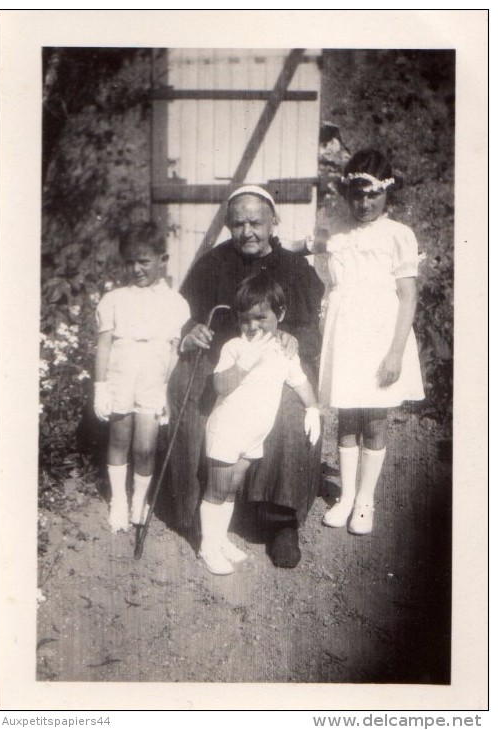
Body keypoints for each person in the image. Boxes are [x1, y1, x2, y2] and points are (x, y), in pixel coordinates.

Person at [168, 185, 325, 568]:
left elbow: (312, 333)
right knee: (190, 391)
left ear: (274, 222)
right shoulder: (212, 263)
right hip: (223, 359)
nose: (247, 231)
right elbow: (186, 315)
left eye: (256, 222)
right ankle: (196, 510)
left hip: (274, 362)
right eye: (237, 223)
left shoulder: (295, 268)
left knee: (290, 414)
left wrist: (293, 337)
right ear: (227, 225)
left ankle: (279, 520)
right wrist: (192, 332)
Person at [315, 149, 425, 535]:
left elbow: (407, 296)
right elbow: (325, 273)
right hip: (347, 334)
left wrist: (395, 352)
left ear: (387, 194)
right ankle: (345, 497)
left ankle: (365, 500)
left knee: (374, 420)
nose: (364, 203)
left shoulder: (398, 235)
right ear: (348, 194)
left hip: (381, 337)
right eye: (358, 195)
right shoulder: (335, 229)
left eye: (373, 195)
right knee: (347, 417)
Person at [200, 273, 321, 575]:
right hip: (227, 431)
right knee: (217, 490)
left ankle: (219, 538)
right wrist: (245, 360)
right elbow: (220, 386)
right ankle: (207, 546)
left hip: (253, 435)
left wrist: (313, 408)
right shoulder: (234, 347)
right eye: (245, 320)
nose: (252, 327)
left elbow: (300, 381)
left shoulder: (284, 350)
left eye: (260, 318)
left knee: (231, 489)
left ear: (280, 315)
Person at [93, 222, 190, 532]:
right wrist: (100, 387)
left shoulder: (175, 303)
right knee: (119, 439)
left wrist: (167, 390)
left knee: (145, 446)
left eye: (143, 261)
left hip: (153, 379)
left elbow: (175, 351)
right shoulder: (114, 299)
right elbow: (104, 346)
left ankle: (139, 500)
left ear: (162, 259)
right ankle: (119, 501)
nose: (136, 269)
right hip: (120, 377)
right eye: (130, 262)